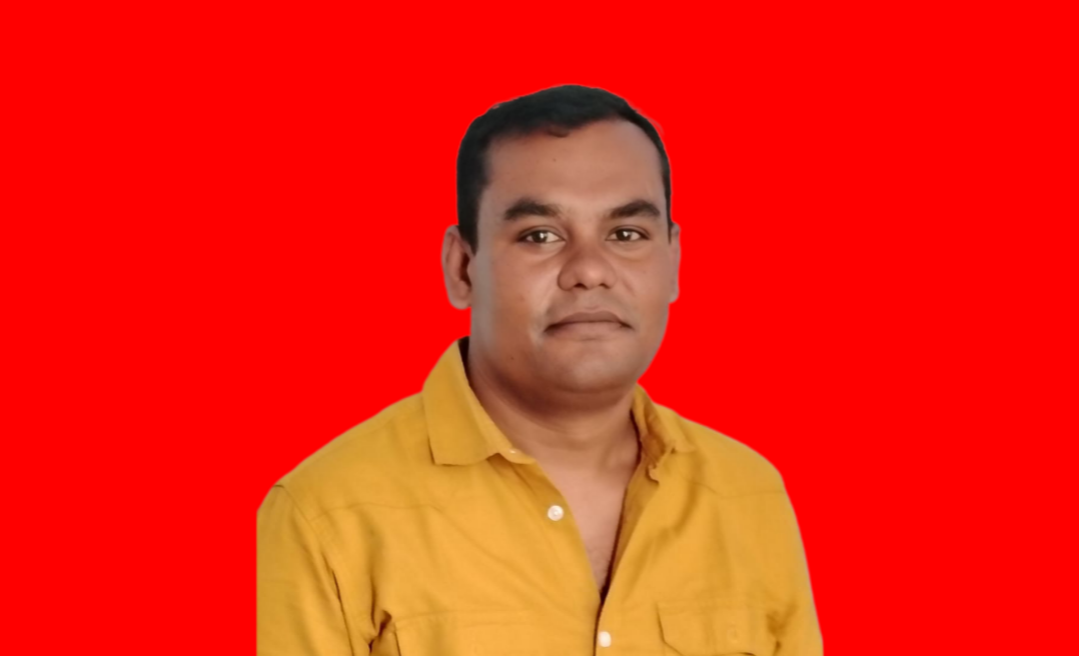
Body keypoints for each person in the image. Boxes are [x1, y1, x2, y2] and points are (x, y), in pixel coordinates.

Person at [257, 84, 823, 655]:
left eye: (626, 234)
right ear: (462, 267)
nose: (590, 271)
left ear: (673, 261)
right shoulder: (326, 514)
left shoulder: (746, 495)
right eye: (541, 236)